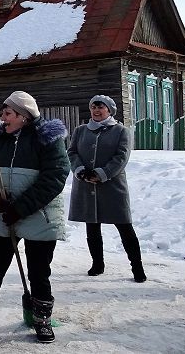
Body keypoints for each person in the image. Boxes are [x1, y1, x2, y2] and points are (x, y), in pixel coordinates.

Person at [0, 91, 69, 344]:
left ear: (23, 116)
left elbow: (55, 177)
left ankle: (41, 321)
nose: (2, 117)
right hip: (2, 212)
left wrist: (20, 208)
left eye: (7, 113)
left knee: (39, 271)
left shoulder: (47, 139)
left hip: (39, 213)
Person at [67, 95, 146, 283]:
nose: (96, 110)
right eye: (93, 107)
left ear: (109, 110)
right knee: (92, 227)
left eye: (100, 107)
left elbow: (121, 157)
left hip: (112, 187)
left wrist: (101, 173)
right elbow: (72, 152)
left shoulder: (121, 131)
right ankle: (97, 264)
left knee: (125, 227)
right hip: (86, 185)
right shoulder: (81, 131)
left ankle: (137, 266)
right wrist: (80, 171)